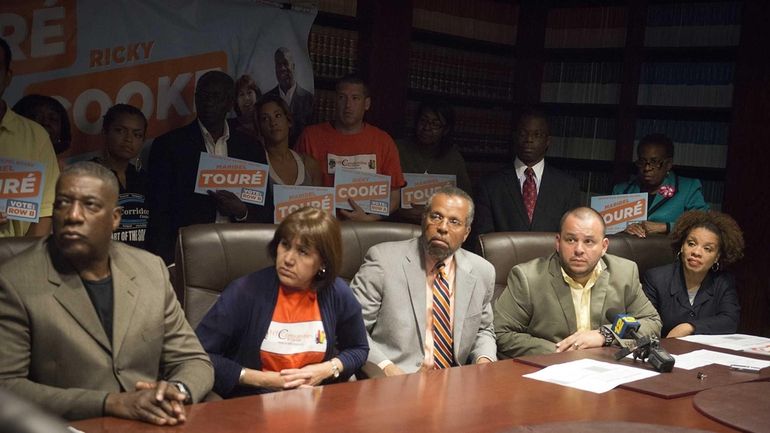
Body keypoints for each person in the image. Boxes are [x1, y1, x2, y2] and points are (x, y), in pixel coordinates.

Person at [0, 162, 214, 423]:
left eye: (90, 205)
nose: (73, 215)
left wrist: (174, 391)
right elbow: (6, 387)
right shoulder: (14, 281)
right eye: (63, 203)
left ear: (115, 218)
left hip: (150, 423)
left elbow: (193, 359)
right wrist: (109, 403)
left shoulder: (150, 269)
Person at [195, 206, 368, 398]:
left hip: (316, 405)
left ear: (323, 263)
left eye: (303, 252)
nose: (288, 259)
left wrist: (326, 370)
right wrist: (265, 380)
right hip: (252, 404)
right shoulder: (244, 291)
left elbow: (358, 349)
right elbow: (197, 356)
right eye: (285, 245)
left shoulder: (336, 292)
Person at [351, 186, 496, 375]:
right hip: (395, 379)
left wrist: (484, 360)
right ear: (423, 219)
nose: (443, 227)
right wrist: (386, 368)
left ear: (466, 233)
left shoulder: (482, 271)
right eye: (436, 217)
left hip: (455, 383)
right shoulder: (383, 260)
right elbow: (353, 327)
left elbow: (483, 330)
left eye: (454, 222)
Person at [494, 207, 662, 358]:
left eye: (589, 241)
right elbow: (501, 332)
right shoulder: (527, 277)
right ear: (558, 243)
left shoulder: (624, 272)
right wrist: (561, 351)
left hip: (606, 370)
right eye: (571, 240)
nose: (579, 250)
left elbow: (652, 322)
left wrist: (605, 335)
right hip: (550, 372)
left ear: (604, 246)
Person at [146, 70, 271, 264]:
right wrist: (168, 264)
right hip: (188, 255)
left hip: (240, 253)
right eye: (202, 96)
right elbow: (158, 213)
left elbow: (265, 211)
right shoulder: (169, 145)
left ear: (230, 103)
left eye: (216, 96)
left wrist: (242, 212)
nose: (208, 102)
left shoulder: (250, 148)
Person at [297, 74, 406, 221]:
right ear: (335, 101)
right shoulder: (310, 136)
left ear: (366, 104)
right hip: (321, 224)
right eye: (342, 97)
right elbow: (295, 187)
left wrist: (370, 218)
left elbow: (394, 196)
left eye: (355, 98)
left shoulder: (383, 141)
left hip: (368, 227)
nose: (348, 105)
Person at [472, 108, 580, 247]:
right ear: (515, 137)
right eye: (524, 134)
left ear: (548, 141)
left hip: (551, 264)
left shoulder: (568, 186)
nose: (529, 140)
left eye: (537, 134)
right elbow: (483, 240)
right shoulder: (490, 185)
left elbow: (571, 236)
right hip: (504, 265)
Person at [643, 210, 744, 337]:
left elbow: (730, 320)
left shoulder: (723, 281)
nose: (696, 252)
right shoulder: (656, 278)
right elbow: (646, 322)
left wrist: (689, 327)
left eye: (707, 249)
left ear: (717, 257)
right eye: (691, 243)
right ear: (681, 246)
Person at [0, 37, 60, 238]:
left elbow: (45, 215)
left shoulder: (36, 136)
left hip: (14, 263)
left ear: (7, 76)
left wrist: (22, 265)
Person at [613, 133, 709, 238]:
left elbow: (703, 223)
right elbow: (605, 229)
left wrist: (666, 227)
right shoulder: (621, 190)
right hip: (626, 252)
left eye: (654, 162)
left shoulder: (688, 188)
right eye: (642, 161)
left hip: (668, 252)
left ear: (668, 164)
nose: (647, 168)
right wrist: (622, 230)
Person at [394, 100, 472, 224]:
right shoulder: (397, 150)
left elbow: (466, 201)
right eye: (423, 121)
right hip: (399, 224)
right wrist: (398, 210)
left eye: (435, 124)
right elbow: (382, 196)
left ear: (445, 130)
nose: (427, 128)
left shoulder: (453, 158)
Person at [91, 104, 149, 250]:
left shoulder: (144, 177)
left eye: (137, 134)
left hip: (139, 262)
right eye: (120, 131)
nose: (128, 139)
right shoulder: (87, 174)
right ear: (105, 133)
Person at [257, 94, 321, 186]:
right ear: (260, 128)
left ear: (289, 121)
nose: (273, 123)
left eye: (277, 115)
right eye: (265, 119)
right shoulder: (255, 165)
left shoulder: (310, 165)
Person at [265, 47, 313, 146]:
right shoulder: (266, 99)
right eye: (278, 65)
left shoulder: (309, 99)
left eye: (285, 63)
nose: (282, 68)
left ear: (293, 66)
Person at [229, 74, 261, 142]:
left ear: (257, 96)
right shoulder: (229, 127)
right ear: (236, 101)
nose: (246, 98)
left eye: (249, 93)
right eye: (241, 94)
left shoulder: (265, 122)